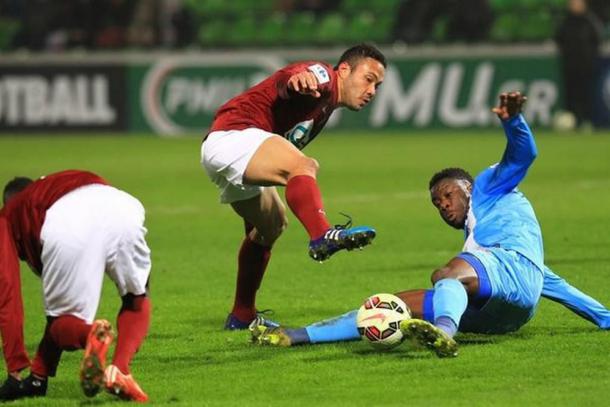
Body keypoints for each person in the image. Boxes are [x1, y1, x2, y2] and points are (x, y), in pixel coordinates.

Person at [250, 91, 610, 356]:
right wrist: (604, 317)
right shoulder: (491, 241)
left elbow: (524, 155)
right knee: (384, 306)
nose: (442, 204)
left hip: (501, 281)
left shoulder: (489, 186)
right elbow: (552, 284)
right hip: (504, 316)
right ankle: (296, 335)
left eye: (447, 194)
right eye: (436, 202)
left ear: (466, 188)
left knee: (445, 275)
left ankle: (443, 333)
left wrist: (513, 121)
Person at [201, 44, 386, 330]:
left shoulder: (324, 109)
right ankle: (323, 235)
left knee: (270, 226)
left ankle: (241, 315)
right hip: (235, 135)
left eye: (378, 85)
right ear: (345, 70)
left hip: (228, 150)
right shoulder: (323, 77)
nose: (372, 90)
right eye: (369, 79)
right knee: (304, 166)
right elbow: (292, 77)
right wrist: (298, 78)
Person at [0, 170, 151, 401]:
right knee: (136, 297)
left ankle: (91, 334)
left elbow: (7, 291)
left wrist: (15, 367)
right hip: (119, 204)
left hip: (68, 221)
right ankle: (120, 370)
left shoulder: (9, 214)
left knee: (63, 321)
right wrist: (38, 375)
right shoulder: (57, 182)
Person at [555, 0, 604, 129]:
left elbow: (597, 41)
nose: (575, 5)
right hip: (569, 65)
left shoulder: (590, 21)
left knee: (586, 94)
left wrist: (590, 57)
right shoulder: (565, 21)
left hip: (586, 65)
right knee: (570, 95)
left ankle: (587, 121)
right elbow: (559, 39)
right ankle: (572, 120)